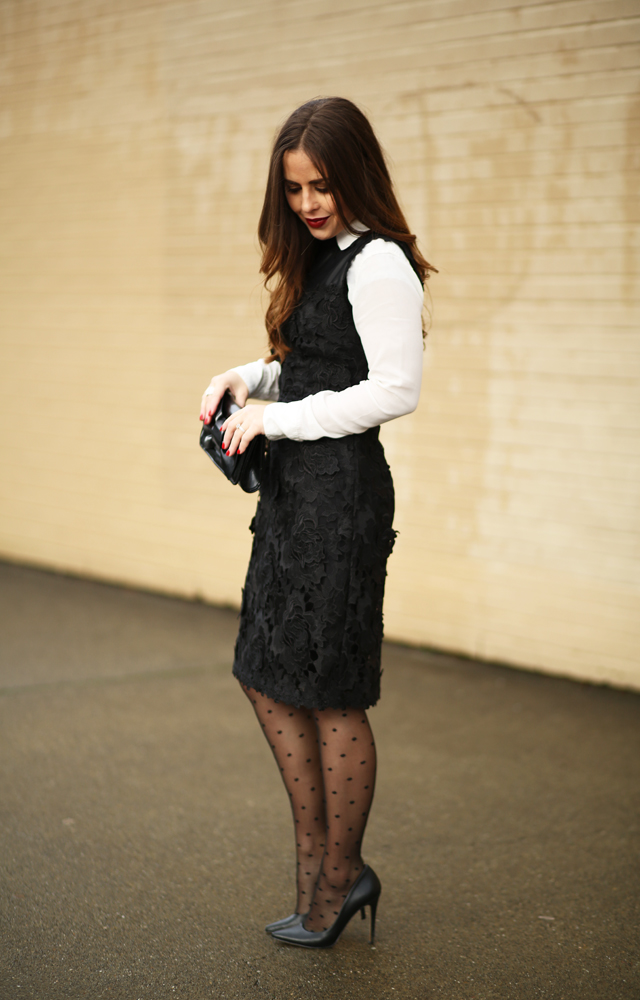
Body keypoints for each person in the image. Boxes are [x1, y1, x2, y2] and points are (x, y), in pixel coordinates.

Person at [199, 97, 435, 949]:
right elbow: (319, 366)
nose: (307, 203)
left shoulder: (382, 265)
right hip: (297, 497)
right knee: (266, 670)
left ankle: (336, 878)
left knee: (329, 688)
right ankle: (321, 867)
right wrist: (246, 380)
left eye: (322, 184)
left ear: (355, 173)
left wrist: (277, 420)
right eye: (295, 188)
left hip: (340, 504)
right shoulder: (326, 257)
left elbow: (393, 390)